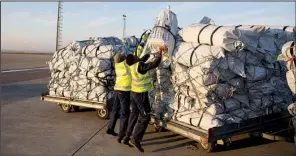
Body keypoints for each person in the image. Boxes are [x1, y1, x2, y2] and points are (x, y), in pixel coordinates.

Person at [124, 44, 167, 152]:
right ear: (134, 60)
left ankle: (126, 137)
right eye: (135, 57)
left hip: (134, 93)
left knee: (133, 115)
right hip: (140, 94)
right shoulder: (139, 66)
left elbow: (143, 58)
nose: (136, 56)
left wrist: (151, 52)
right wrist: (160, 53)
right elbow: (154, 64)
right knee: (145, 116)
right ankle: (136, 139)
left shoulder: (133, 66)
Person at [106, 52, 132, 139]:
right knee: (124, 113)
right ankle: (122, 133)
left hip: (117, 89)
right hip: (124, 91)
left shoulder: (117, 65)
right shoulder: (126, 65)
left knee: (115, 109)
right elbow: (133, 59)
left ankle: (110, 128)